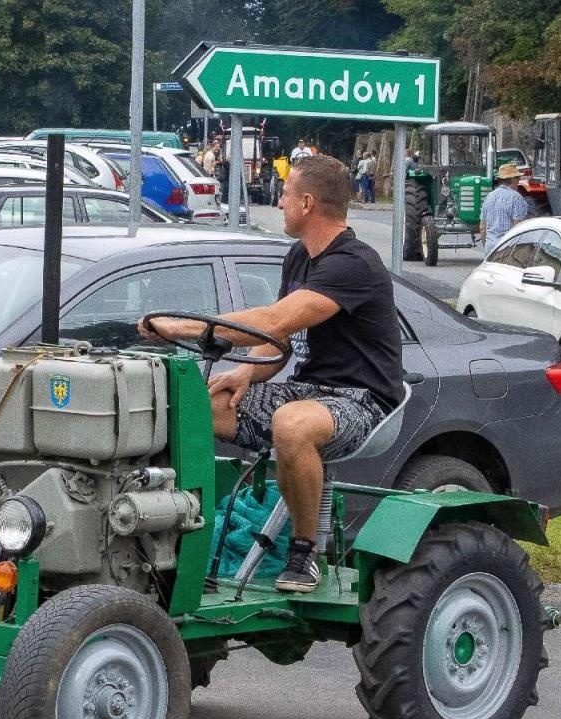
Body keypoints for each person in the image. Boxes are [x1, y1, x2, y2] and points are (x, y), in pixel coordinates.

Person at [136, 155, 404, 593]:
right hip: (307, 390)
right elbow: (279, 342)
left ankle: (303, 553)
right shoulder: (299, 257)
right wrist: (246, 372)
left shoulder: (354, 263)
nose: (279, 203)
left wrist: (180, 327)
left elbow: (274, 318)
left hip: (363, 401)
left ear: (308, 203)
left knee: (292, 423)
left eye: (285, 194)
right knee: (195, 406)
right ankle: (182, 535)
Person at [478, 163, 531, 254]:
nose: (519, 181)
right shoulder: (516, 198)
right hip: (507, 248)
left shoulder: (489, 196)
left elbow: (482, 226)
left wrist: (486, 245)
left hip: (490, 247)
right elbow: (518, 227)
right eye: (517, 178)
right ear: (513, 179)